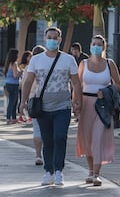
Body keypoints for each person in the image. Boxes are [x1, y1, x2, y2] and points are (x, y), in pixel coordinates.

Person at [20, 27, 82, 186]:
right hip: (43, 107)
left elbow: (75, 82)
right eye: (50, 37)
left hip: (63, 106)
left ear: (60, 40)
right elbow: (28, 81)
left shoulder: (68, 59)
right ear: (45, 39)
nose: (53, 40)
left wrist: (77, 101)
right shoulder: (36, 59)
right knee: (47, 140)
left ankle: (59, 171)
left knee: (60, 137)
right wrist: (23, 101)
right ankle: (49, 171)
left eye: (56, 37)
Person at [76, 35, 120, 186]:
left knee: (98, 138)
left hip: (103, 105)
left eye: (99, 44)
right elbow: (77, 85)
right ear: (90, 45)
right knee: (87, 139)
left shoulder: (110, 64)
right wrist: (75, 103)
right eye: (93, 44)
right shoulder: (83, 63)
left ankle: (96, 174)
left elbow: (118, 85)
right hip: (86, 104)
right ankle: (90, 171)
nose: (96, 47)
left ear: (104, 47)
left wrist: (106, 90)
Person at [21, 45, 46, 166]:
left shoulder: (28, 68)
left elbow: (24, 84)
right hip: (47, 99)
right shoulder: (46, 66)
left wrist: (24, 101)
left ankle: (38, 155)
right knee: (47, 128)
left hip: (33, 101)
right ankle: (47, 154)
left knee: (37, 129)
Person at [4, 48, 22, 125]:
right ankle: (9, 118)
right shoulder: (14, 63)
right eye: (17, 54)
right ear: (15, 55)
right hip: (13, 85)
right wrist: (21, 72)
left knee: (13, 101)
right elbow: (15, 76)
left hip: (8, 84)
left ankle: (13, 118)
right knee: (12, 102)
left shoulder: (8, 63)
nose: (18, 55)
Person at [17, 50, 33, 122]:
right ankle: (21, 115)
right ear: (26, 57)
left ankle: (28, 116)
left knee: (28, 102)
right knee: (23, 101)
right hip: (22, 86)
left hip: (30, 87)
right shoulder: (22, 66)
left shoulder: (31, 65)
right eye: (30, 56)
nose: (31, 58)